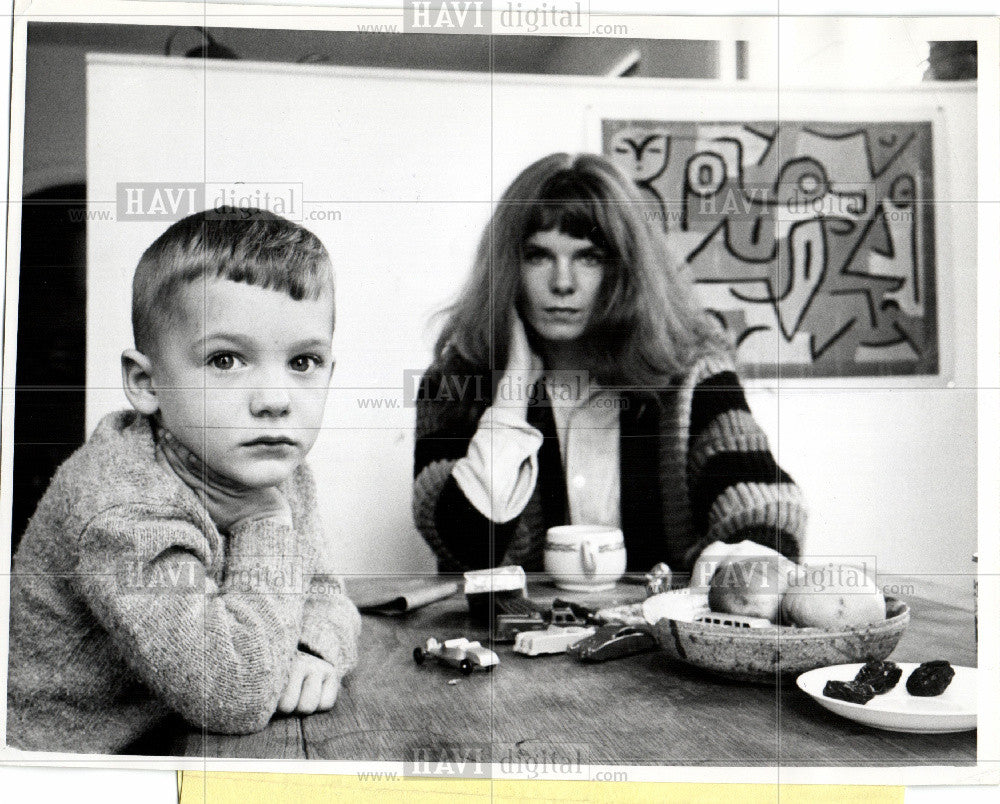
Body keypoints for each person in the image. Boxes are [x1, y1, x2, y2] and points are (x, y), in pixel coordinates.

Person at [6, 208, 361, 754]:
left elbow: (326, 596)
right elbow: (232, 693)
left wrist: (314, 651)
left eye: (303, 362)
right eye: (225, 360)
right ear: (146, 384)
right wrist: (265, 523)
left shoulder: (270, 463)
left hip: (171, 737)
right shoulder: (118, 505)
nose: (275, 400)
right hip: (65, 766)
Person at [412, 153, 806, 580]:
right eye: (539, 256)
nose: (563, 283)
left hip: (655, 637)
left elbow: (763, 508)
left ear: (623, 269)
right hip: (508, 643)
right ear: (508, 267)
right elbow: (464, 546)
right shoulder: (454, 384)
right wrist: (512, 394)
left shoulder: (691, 373)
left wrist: (743, 563)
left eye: (588, 257)